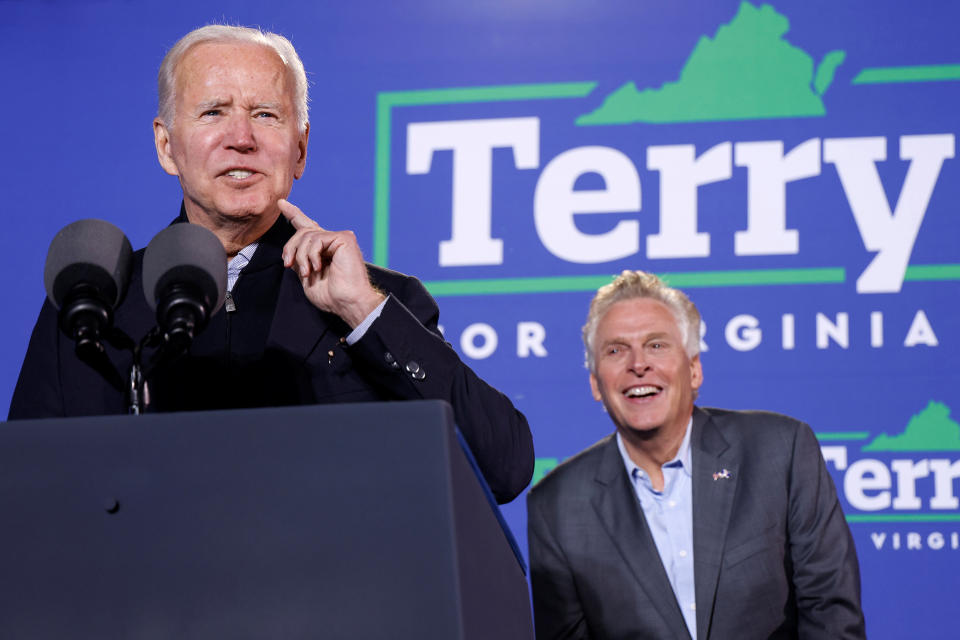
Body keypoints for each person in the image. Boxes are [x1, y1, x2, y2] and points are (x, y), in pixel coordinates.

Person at [8, 25, 533, 504]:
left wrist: (364, 310)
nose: (242, 137)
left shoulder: (375, 302)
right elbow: (25, 501)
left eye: (266, 114)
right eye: (214, 112)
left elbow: (502, 467)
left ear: (299, 150)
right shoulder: (94, 305)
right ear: (167, 146)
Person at [526, 270, 866, 638]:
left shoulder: (781, 451)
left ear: (693, 369)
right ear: (596, 383)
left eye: (657, 345)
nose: (638, 364)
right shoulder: (557, 506)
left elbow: (831, 615)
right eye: (615, 350)